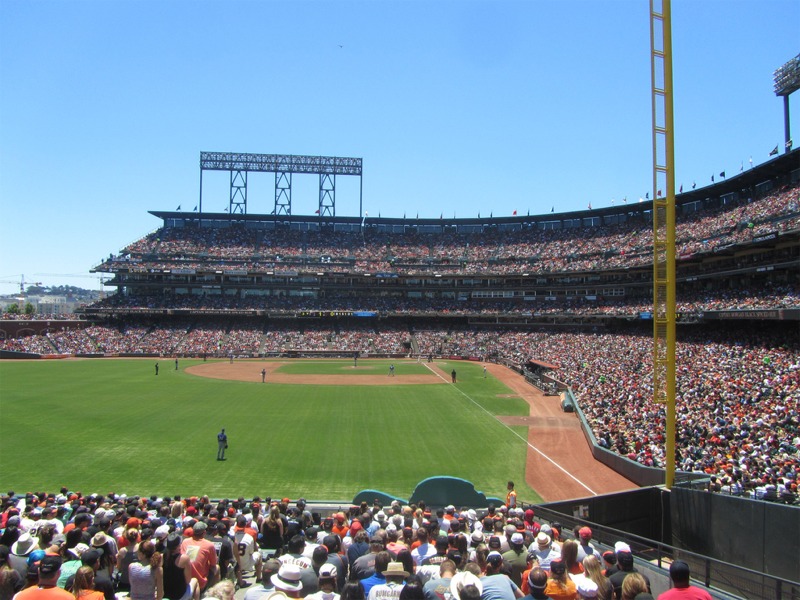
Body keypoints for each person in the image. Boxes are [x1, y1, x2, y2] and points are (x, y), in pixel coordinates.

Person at [161, 533, 199, 600]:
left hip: (165, 594)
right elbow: (188, 581)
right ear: (179, 545)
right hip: (179, 596)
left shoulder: (162, 557)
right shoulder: (184, 558)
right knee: (195, 580)